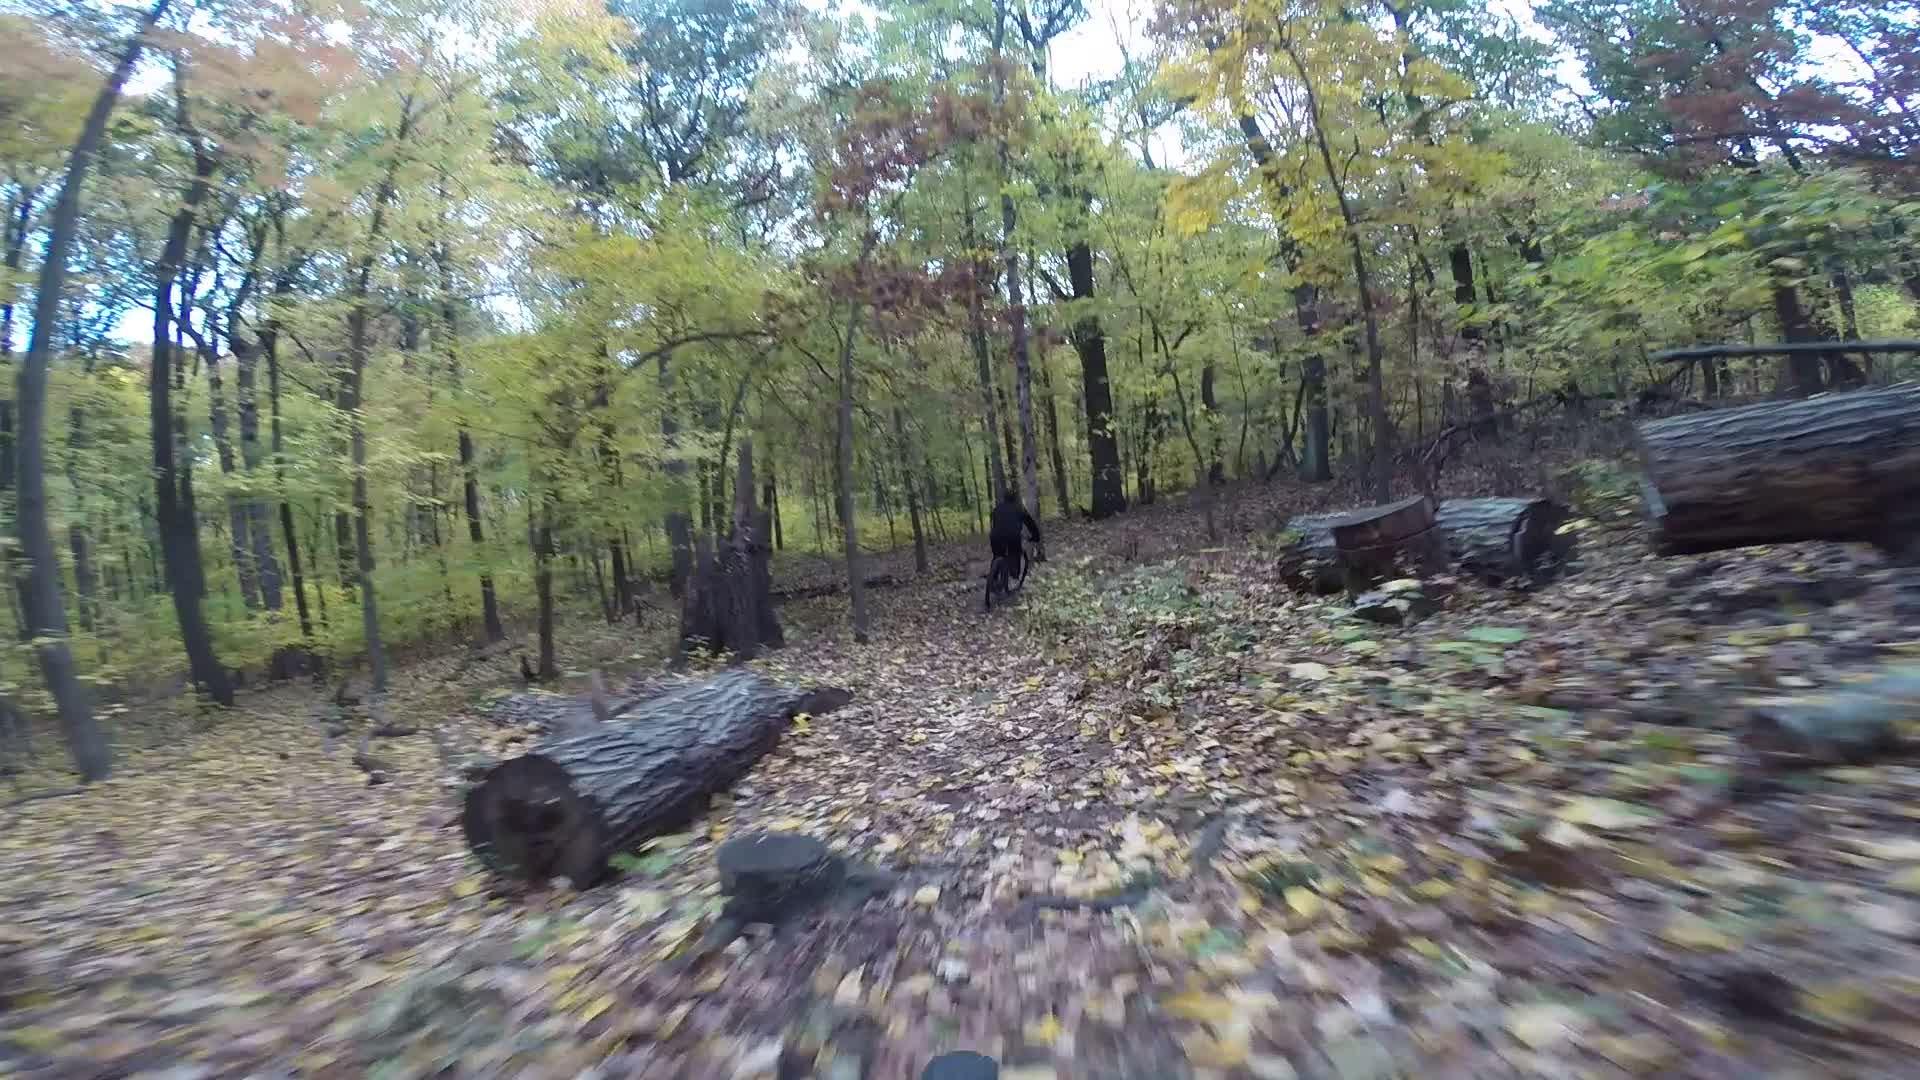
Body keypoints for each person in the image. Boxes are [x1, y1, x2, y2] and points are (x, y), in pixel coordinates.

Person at [988, 488, 1042, 587]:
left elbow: (994, 523)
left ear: (1004, 498)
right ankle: (1014, 576)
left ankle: (993, 579)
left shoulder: (996, 509)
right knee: (1015, 553)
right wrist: (1036, 537)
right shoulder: (1019, 509)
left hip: (995, 536)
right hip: (1012, 536)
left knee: (997, 555)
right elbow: (1031, 524)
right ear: (1015, 499)